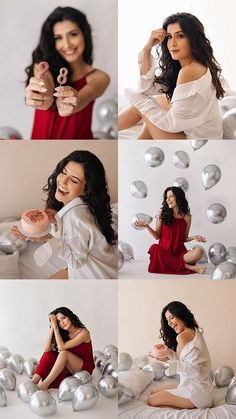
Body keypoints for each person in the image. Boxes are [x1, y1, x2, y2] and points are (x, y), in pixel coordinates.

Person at [11, 150, 117, 279]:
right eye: (64, 172)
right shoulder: (84, 207)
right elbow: (75, 239)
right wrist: (57, 221)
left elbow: (76, 261)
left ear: (87, 189)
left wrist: (46, 238)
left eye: (74, 180)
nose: (63, 181)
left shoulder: (75, 216)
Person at [118, 12, 224, 139]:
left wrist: (139, 101)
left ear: (193, 39)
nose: (172, 43)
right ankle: (138, 142)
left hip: (195, 144)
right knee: (157, 100)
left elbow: (172, 124)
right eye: (169, 37)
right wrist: (147, 49)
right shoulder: (187, 66)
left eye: (180, 36)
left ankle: (113, 133)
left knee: (142, 105)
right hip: (195, 134)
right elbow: (146, 89)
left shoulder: (190, 71)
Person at [25, 6, 110, 139]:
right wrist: (44, 98)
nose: (67, 44)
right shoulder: (42, 67)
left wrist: (74, 103)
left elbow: (84, 97)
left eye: (73, 34)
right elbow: (46, 90)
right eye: (58, 38)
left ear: (84, 34)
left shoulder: (100, 77)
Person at [148, 301, 213, 409]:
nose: (169, 323)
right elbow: (184, 360)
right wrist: (167, 353)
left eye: (171, 317)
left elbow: (196, 371)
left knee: (151, 400)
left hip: (197, 394)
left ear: (180, 314)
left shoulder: (183, 336)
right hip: (198, 387)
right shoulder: (193, 331)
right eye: (167, 320)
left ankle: (186, 408)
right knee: (154, 391)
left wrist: (169, 361)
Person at [135, 187, 206, 274]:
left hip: (180, 254)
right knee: (154, 248)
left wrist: (194, 237)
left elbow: (183, 238)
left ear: (178, 197)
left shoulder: (187, 217)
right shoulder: (162, 213)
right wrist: (147, 226)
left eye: (171, 196)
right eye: (166, 197)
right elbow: (157, 236)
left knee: (199, 252)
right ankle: (189, 267)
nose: (168, 199)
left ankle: (172, 262)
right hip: (163, 253)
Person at [32, 307, 95, 390]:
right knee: (50, 353)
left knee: (64, 353)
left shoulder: (83, 333)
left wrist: (55, 327)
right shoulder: (64, 334)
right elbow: (46, 349)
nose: (62, 322)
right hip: (69, 367)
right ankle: (33, 382)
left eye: (63, 318)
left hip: (84, 369)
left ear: (70, 316)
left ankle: (44, 384)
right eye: (58, 321)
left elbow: (62, 347)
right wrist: (52, 327)